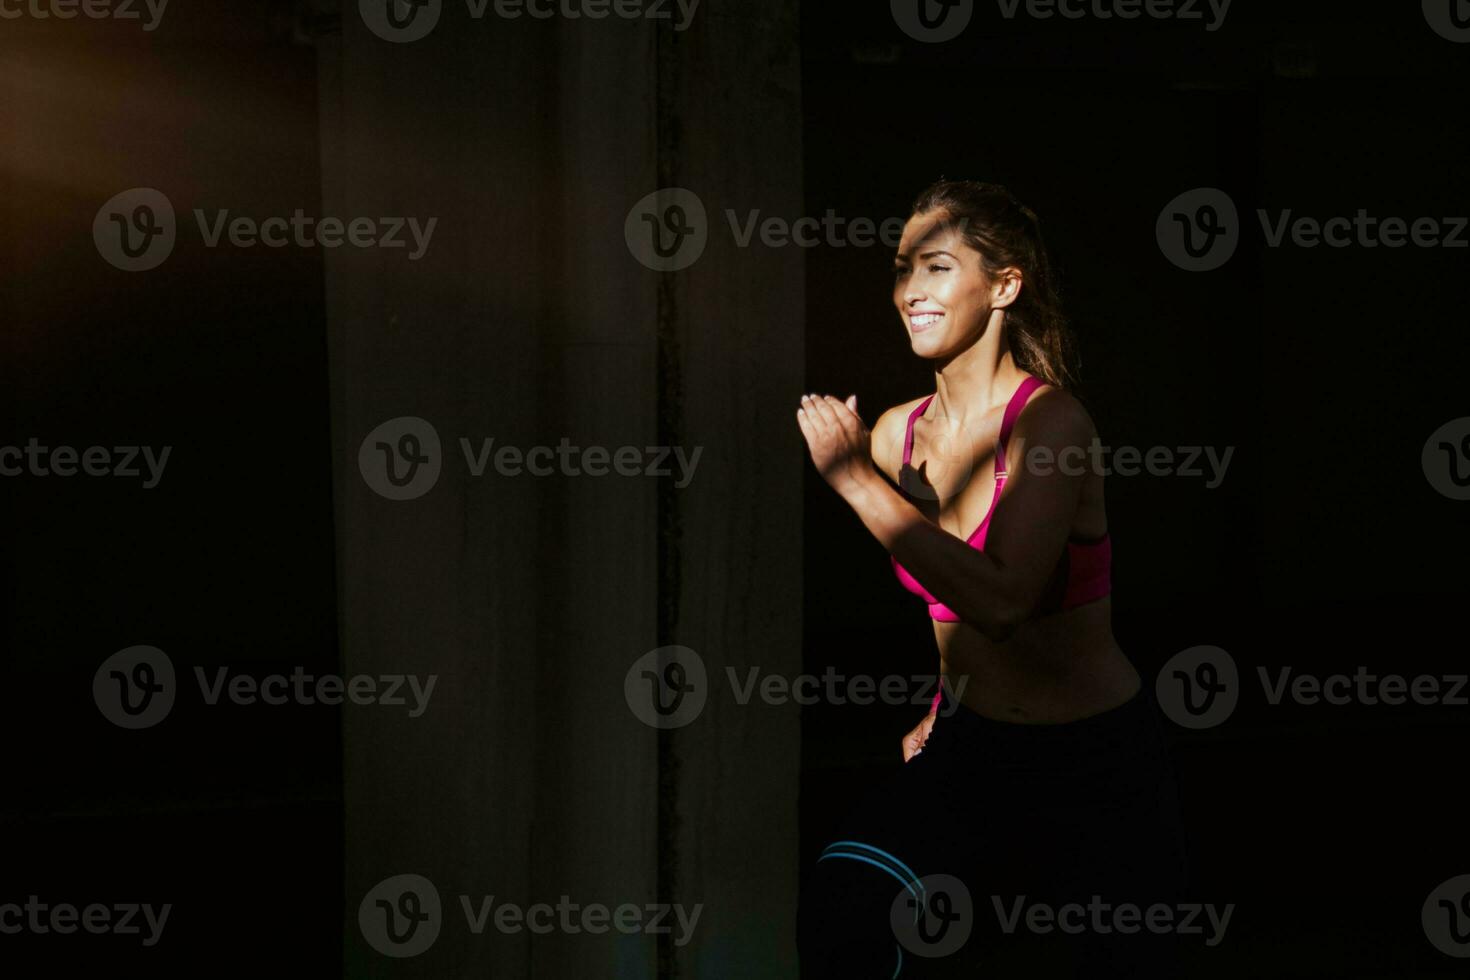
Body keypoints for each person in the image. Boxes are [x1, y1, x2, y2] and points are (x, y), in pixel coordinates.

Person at [793, 180, 1187, 978]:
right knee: (845, 912)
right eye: (904, 269)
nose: (911, 292)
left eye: (937, 267)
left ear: (1005, 286)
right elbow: (948, 602)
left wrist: (853, 482)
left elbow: (1003, 599)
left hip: (1095, 761)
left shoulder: (1051, 424)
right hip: (973, 750)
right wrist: (942, 702)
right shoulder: (895, 434)